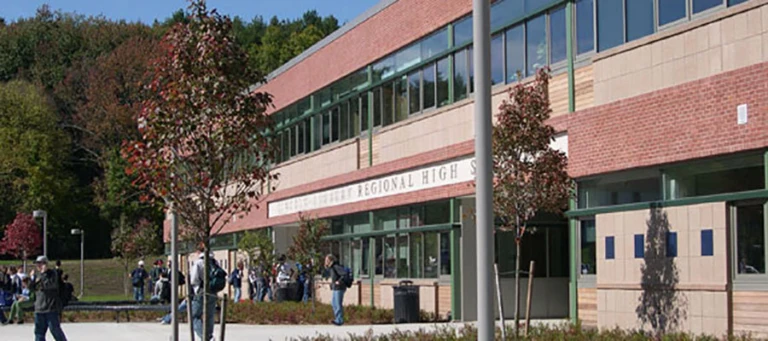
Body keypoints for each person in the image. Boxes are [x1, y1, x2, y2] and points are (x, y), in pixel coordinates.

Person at [29, 256, 68, 341]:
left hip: (50, 308)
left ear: (45, 264)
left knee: (55, 330)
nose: (38, 266)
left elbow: (48, 286)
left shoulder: (52, 274)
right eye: (37, 264)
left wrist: (43, 274)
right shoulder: (37, 275)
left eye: (40, 264)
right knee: (39, 333)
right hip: (39, 308)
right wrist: (32, 278)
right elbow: (31, 288)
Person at [190, 246, 217, 341]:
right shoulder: (214, 262)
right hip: (213, 291)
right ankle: (210, 336)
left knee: (194, 316)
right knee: (210, 316)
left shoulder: (199, 263)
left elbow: (193, 279)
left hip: (201, 291)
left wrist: (196, 289)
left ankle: (205, 337)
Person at [325, 254, 346, 326]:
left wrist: (339, 281)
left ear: (331, 260)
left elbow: (344, 274)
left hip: (339, 288)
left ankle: (339, 319)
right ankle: (337, 318)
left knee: (337, 303)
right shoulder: (331, 268)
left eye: (327, 260)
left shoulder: (336, 266)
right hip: (335, 288)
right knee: (334, 303)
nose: (325, 262)